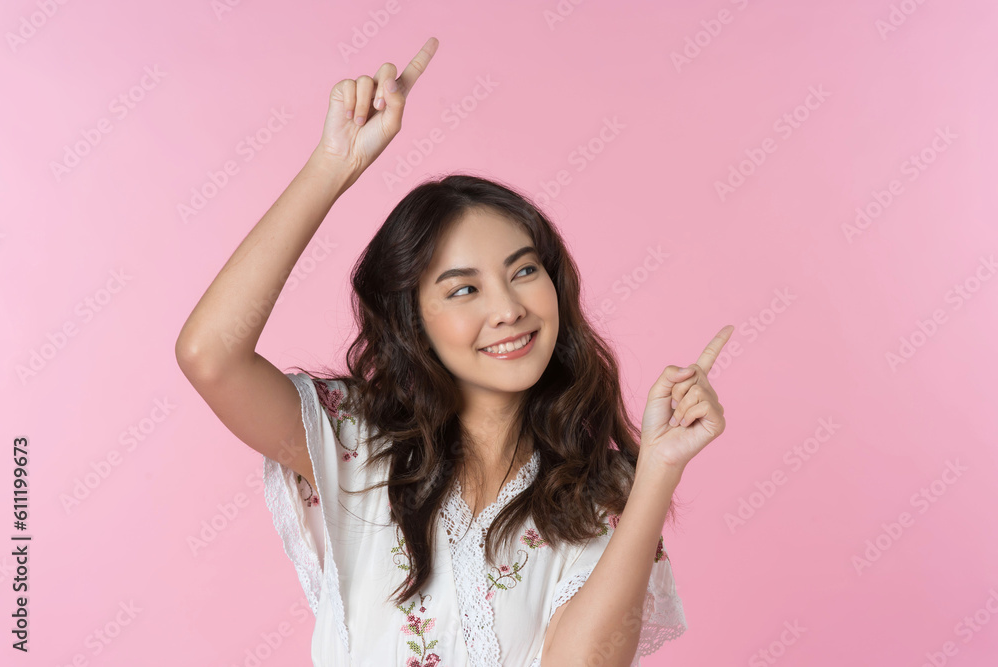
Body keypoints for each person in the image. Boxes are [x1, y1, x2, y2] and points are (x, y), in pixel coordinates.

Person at [175, 36, 733, 667]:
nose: (508, 309)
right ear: (415, 319)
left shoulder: (597, 492)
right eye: (464, 288)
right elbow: (210, 355)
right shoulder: (354, 441)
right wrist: (333, 165)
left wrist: (658, 471)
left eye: (524, 272)